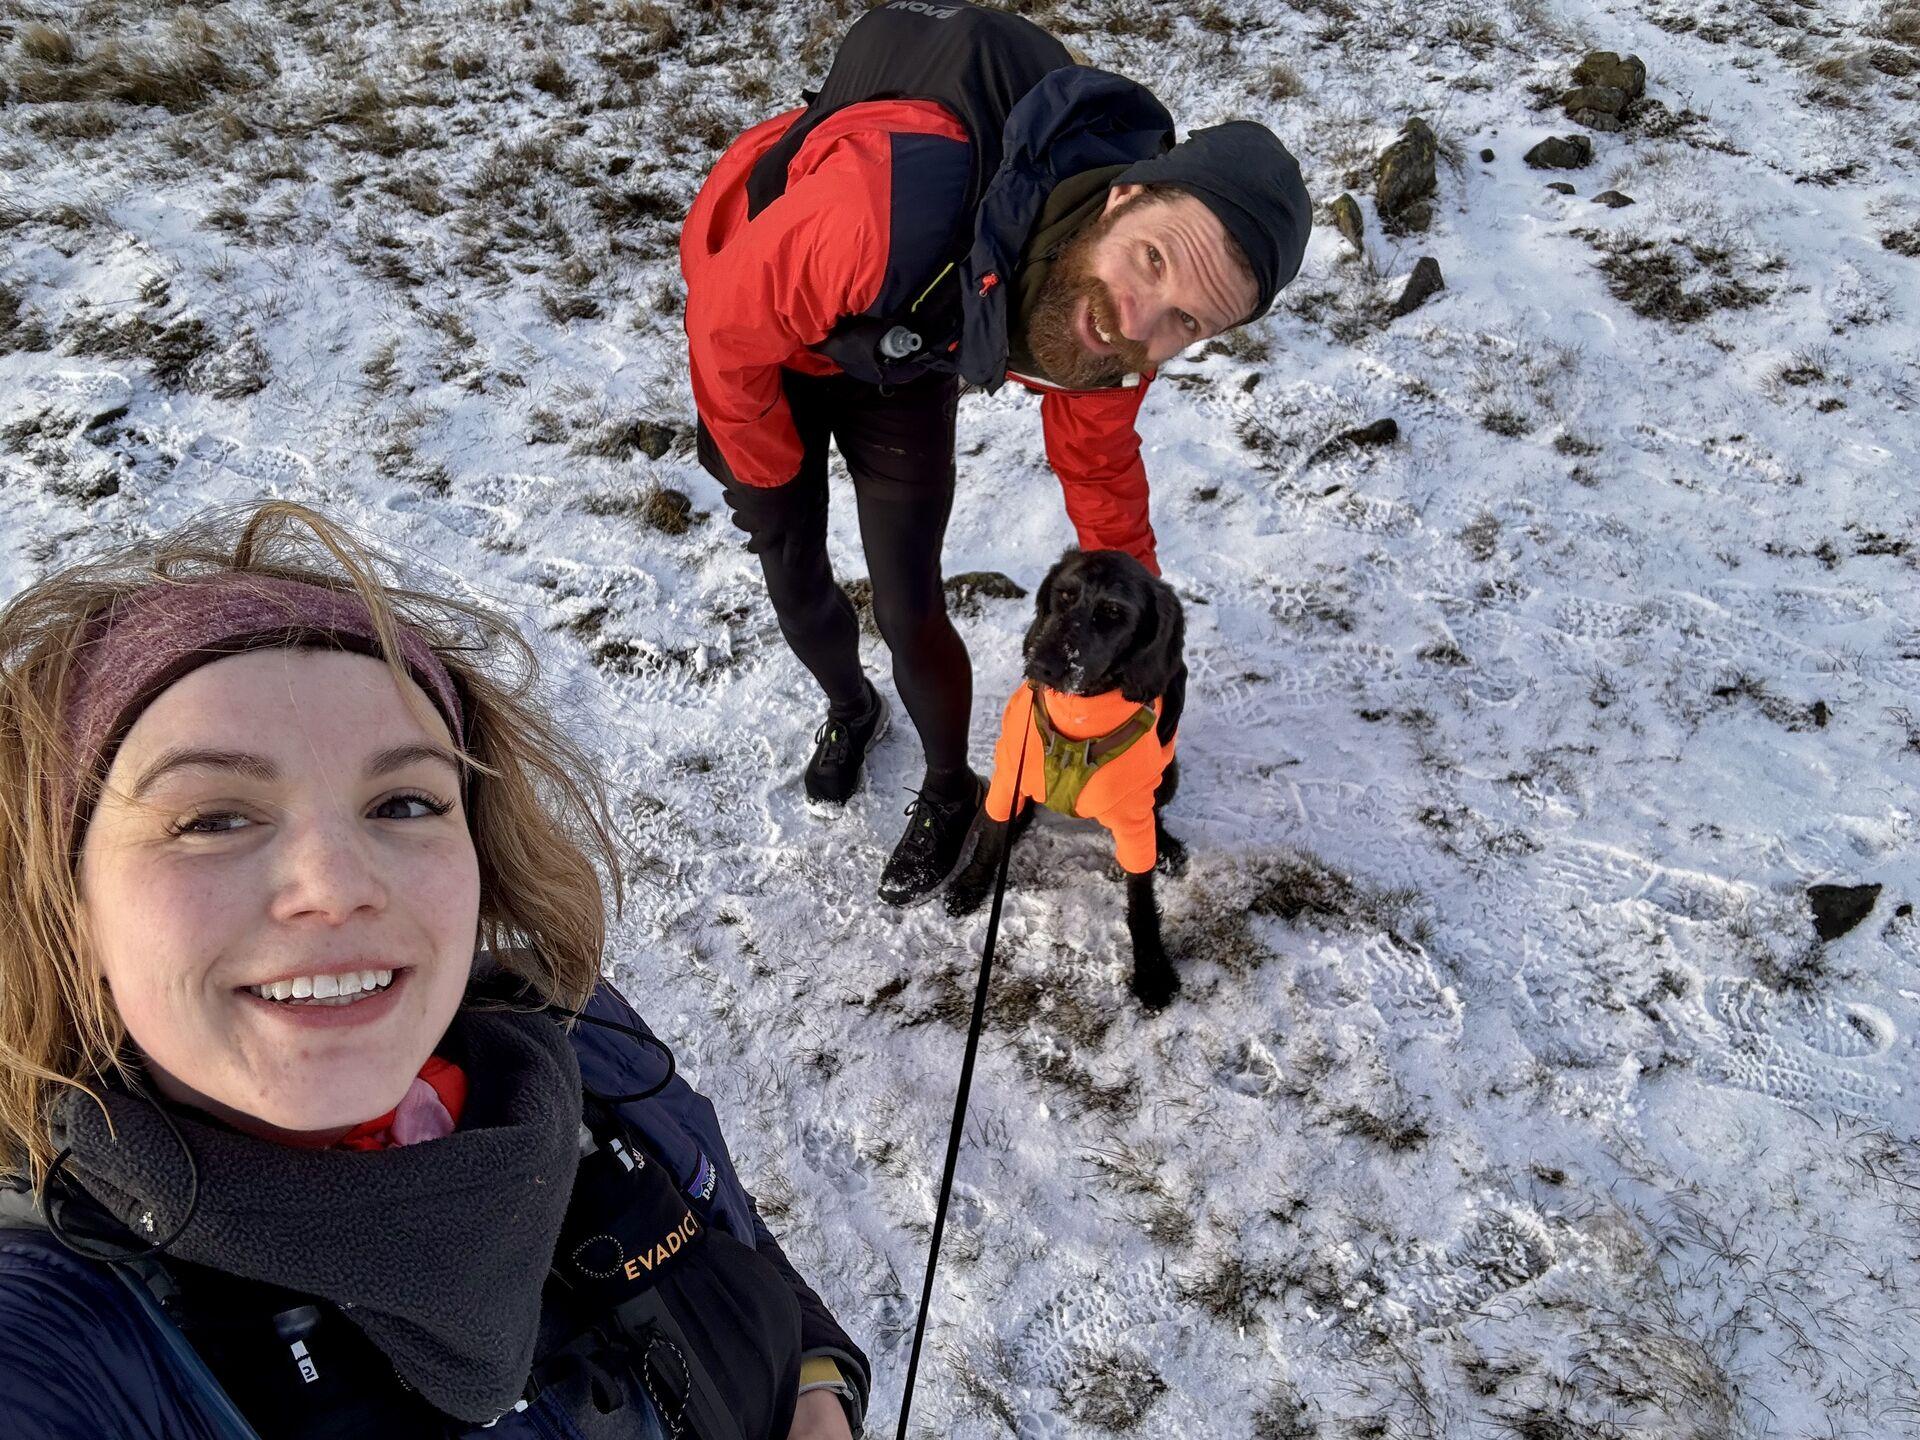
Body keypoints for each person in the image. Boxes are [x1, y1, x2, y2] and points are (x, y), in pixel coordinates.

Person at [0, 503, 869, 1440]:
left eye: (404, 800)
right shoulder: (65, 1338)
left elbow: (728, 1227)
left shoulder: (576, 1041)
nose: (336, 887)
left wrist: (816, 1386)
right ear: (67, 906)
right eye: (212, 818)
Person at [680, 0, 1311, 906]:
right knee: (791, 561)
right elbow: (726, 325)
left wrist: (1144, 645)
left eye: (1187, 322)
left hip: (900, 354)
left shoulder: (1120, 344)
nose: (1138, 321)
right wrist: (772, 480)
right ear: (1123, 195)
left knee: (907, 596)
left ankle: (947, 790)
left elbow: (1099, 476)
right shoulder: (882, 206)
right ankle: (852, 711)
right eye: (1156, 263)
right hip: (767, 326)